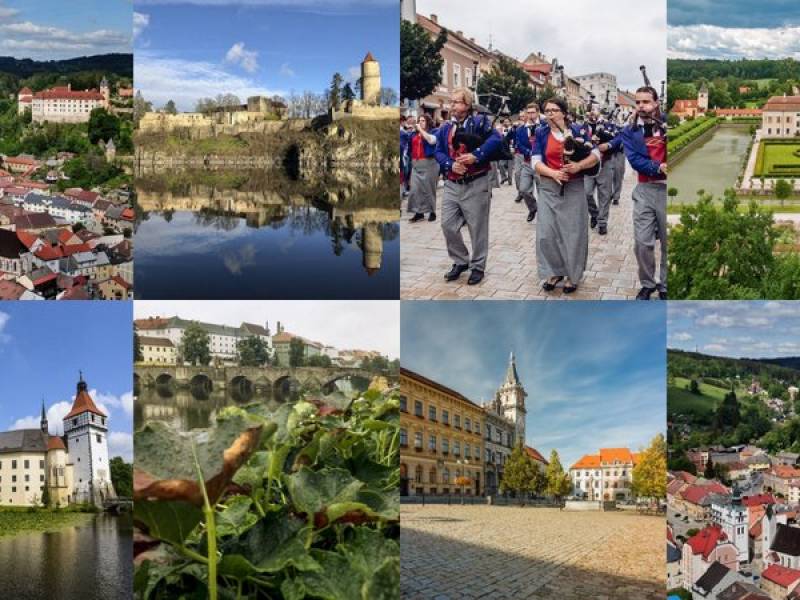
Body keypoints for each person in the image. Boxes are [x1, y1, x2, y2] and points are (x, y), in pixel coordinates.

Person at [434, 87, 502, 286]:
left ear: (467, 104)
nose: (452, 105)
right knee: (447, 224)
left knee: (477, 228)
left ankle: (478, 266)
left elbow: (497, 140)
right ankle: (460, 260)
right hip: (452, 183)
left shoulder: (480, 122)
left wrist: (476, 155)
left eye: (456, 102)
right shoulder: (446, 127)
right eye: (451, 102)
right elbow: (438, 151)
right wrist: (450, 164)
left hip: (476, 181)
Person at [532, 97, 600, 294]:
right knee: (547, 233)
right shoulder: (541, 133)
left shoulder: (578, 131)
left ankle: (572, 275)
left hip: (574, 187)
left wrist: (578, 166)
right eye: (547, 110)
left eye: (554, 110)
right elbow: (535, 160)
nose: (550, 114)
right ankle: (554, 271)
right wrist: (552, 173)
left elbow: (595, 154)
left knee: (573, 233)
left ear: (563, 113)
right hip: (548, 187)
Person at [621, 86, 667, 300]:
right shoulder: (629, 130)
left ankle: (666, 285)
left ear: (656, 103)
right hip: (645, 189)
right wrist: (659, 167)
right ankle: (648, 283)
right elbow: (635, 161)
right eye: (638, 102)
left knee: (668, 242)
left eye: (646, 102)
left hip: (669, 190)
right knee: (642, 242)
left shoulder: (668, 123)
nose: (641, 106)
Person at [585, 116, 621, 236]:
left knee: (604, 195)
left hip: (605, 163)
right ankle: (595, 214)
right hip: (588, 164)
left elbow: (618, 139)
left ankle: (602, 223)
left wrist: (608, 143)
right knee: (586, 192)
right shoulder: (583, 127)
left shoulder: (609, 126)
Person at [404, 114, 439, 223]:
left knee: (429, 189)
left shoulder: (434, 131)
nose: (421, 122)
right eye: (419, 120)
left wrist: (420, 130)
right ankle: (419, 213)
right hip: (416, 163)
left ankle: (432, 211)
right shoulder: (413, 134)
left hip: (429, 163)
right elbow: (409, 149)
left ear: (428, 122)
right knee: (415, 190)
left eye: (423, 120)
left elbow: (431, 141)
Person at [514, 103, 541, 222]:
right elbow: (519, 144)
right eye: (528, 113)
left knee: (543, 191)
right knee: (523, 189)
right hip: (527, 162)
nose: (530, 115)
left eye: (533, 112)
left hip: (541, 164)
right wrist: (529, 152)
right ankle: (533, 207)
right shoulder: (520, 129)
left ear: (538, 112)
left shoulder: (545, 126)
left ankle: (546, 215)